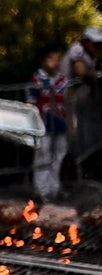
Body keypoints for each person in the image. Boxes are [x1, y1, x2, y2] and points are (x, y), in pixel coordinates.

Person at [27, 45, 69, 202]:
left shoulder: (61, 80)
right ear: (43, 61)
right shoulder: (37, 80)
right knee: (43, 156)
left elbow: (66, 101)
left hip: (59, 123)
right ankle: (41, 190)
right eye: (51, 59)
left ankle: (55, 188)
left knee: (59, 154)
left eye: (57, 59)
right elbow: (30, 103)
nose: (55, 62)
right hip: (43, 124)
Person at [60, 26, 102, 179]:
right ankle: (73, 173)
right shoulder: (77, 50)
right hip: (65, 102)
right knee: (73, 139)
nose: (98, 47)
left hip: (81, 103)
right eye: (95, 44)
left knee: (85, 135)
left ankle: (85, 169)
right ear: (86, 41)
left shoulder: (91, 54)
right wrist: (94, 75)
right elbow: (80, 71)